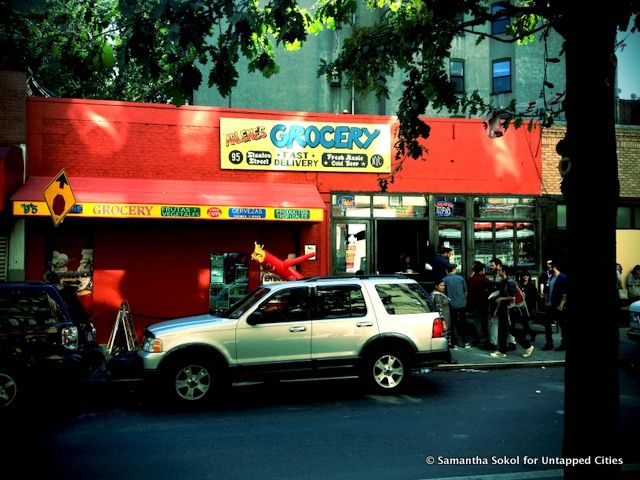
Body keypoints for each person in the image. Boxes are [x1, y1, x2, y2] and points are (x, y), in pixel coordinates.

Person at [490, 265, 535, 359]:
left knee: (511, 331)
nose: (498, 272)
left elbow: (513, 297)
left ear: (504, 271)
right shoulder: (503, 282)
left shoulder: (510, 283)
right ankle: (502, 351)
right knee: (503, 331)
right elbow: (501, 298)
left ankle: (528, 346)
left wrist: (501, 298)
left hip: (508, 311)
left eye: (500, 270)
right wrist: (496, 310)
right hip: (503, 310)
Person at [443, 264, 471, 348]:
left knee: (454, 323)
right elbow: (466, 291)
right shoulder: (461, 278)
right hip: (462, 303)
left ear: (447, 270)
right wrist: (463, 299)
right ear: (454, 269)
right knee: (463, 322)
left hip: (451, 305)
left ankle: (454, 343)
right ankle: (465, 342)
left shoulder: (444, 280)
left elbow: (444, 294)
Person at [543, 260, 568, 351]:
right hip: (550, 305)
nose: (548, 269)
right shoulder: (551, 278)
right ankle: (549, 343)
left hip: (559, 306)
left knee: (562, 325)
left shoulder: (563, 278)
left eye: (549, 267)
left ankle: (564, 343)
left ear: (554, 267)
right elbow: (549, 291)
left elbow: (565, 294)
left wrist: (561, 305)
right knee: (547, 324)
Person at [468, 261, 492, 342]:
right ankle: (488, 337)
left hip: (475, 303)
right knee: (486, 320)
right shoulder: (485, 279)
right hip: (485, 303)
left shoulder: (471, 279)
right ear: (481, 270)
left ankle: (479, 338)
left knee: (477, 321)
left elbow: (469, 292)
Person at [518, 271, 540, 342]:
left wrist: (528, 297)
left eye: (527, 276)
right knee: (523, 322)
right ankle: (530, 334)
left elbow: (536, 296)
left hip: (529, 306)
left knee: (525, 321)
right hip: (521, 306)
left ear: (529, 277)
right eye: (524, 276)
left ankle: (527, 335)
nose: (525, 277)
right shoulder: (520, 285)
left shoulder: (531, 286)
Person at [431, 280, 452, 346]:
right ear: (436, 286)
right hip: (443, 320)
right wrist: (443, 323)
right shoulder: (437, 296)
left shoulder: (440, 294)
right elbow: (439, 310)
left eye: (443, 285)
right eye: (441, 285)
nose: (443, 287)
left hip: (446, 319)